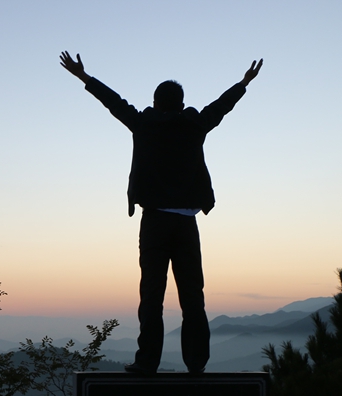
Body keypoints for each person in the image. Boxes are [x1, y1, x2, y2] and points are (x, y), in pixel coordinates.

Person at [60, 51, 262, 375]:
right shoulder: (194, 124)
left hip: (154, 222)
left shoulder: (144, 124)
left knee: (152, 296)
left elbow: (114, 102)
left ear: (155, 102)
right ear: (181, 103)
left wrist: (84, 77)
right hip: (186, 223)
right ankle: (196, 363)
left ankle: (147, 363)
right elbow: (221, 107)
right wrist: (243, 83)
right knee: (192, 297)